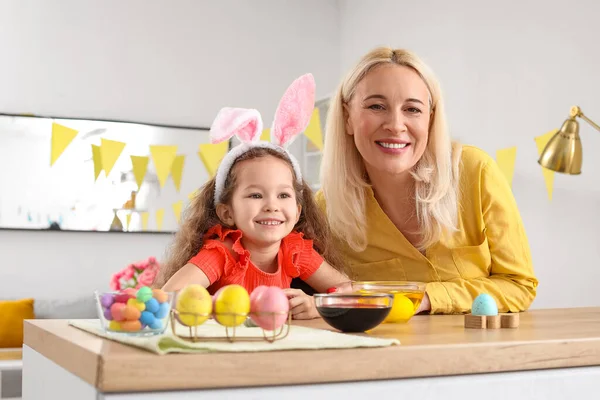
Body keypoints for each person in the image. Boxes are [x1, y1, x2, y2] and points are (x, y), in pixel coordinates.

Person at [316, 46, 538, 314]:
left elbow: (520, 286)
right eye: (376, 106)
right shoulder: (326, 210)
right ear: (347, 117)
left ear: (431, 119)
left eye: (412, 109)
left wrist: (424, 297)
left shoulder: (475, 172)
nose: (396, 125)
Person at [154, 74, 349, 319]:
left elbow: (349, 292)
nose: (272, 206)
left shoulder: (295, 251)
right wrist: (221, 308)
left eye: (283, 195)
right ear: (227, 212)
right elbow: (170, 295)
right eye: (256, 195)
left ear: (298, 210)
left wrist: (317, 306)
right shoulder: (224, 254)